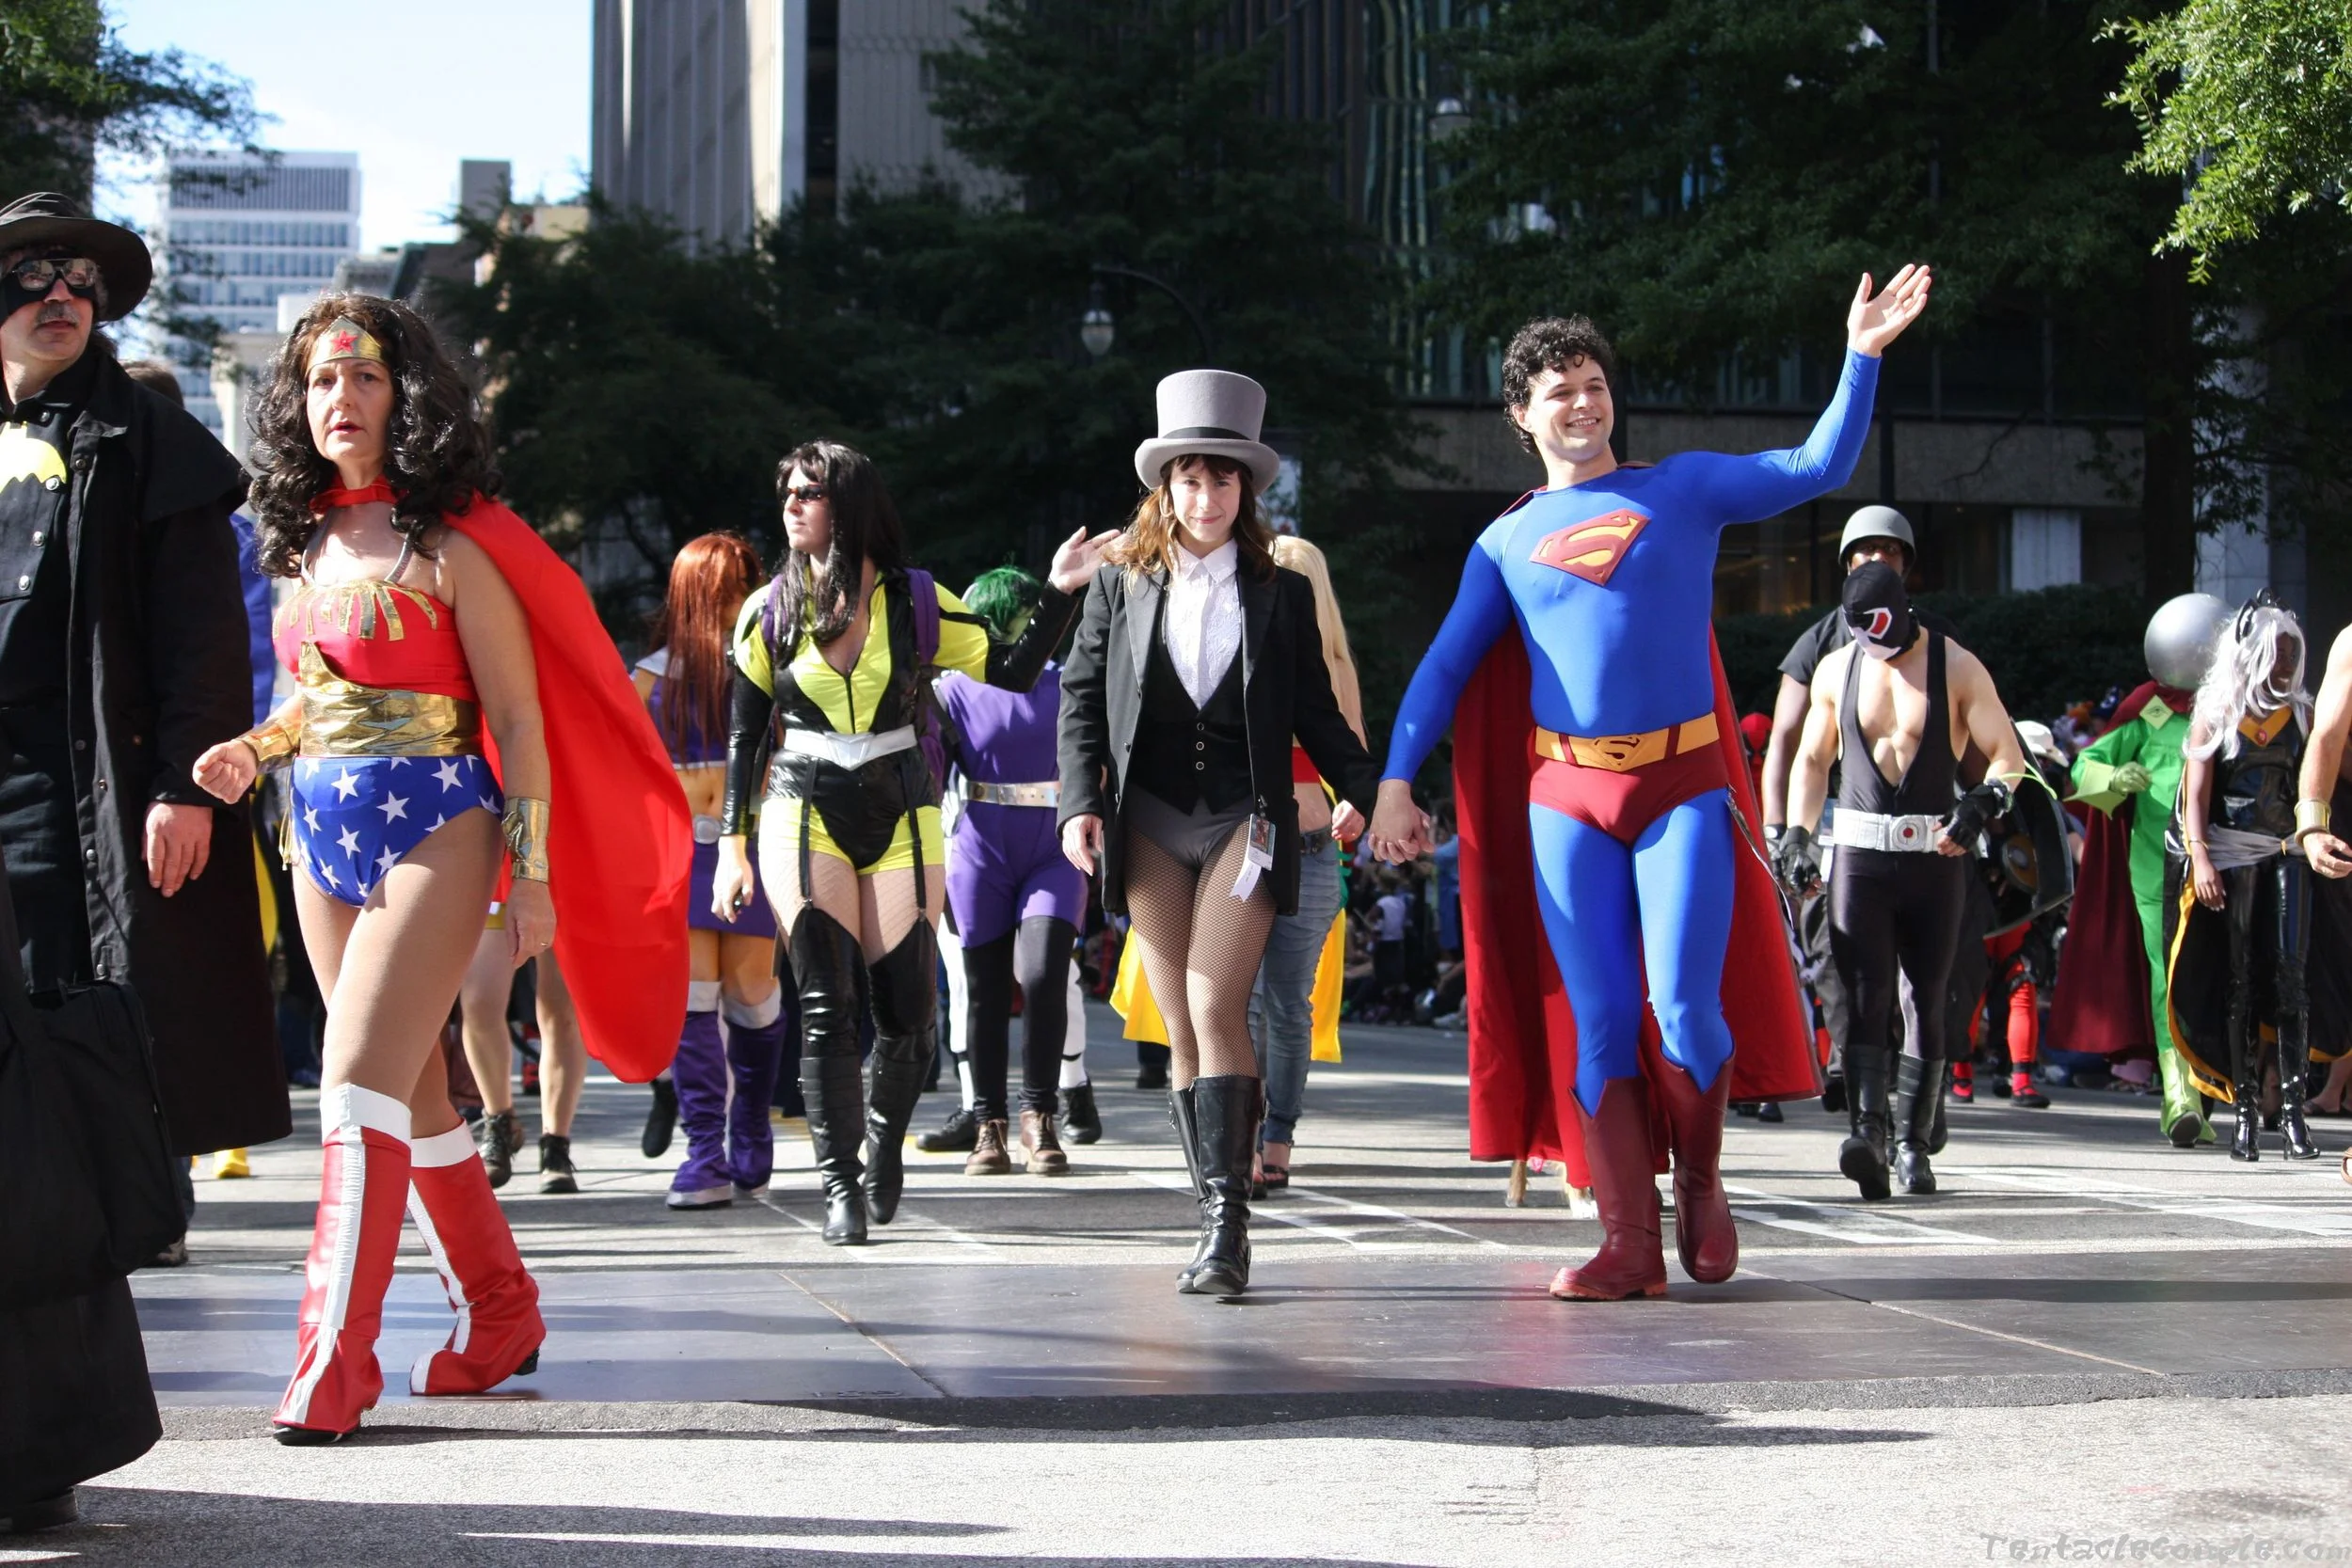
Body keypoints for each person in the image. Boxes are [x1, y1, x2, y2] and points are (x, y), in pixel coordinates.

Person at [1368, 276, 1926, 1299]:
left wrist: (1861, 356)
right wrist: (1397, 780)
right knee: (1599, 1015)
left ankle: (1701, 1182)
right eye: (1558, 391)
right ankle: (1627, 1239)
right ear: (1520, 414)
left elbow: (1819, 464)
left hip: (1680, 786)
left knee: (1681, 1005)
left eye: (1593, 384)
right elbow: (1445, 665)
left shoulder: (1684, 488)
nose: (1582, 403)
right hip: (1566, 799)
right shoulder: (1502, 542)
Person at [195, 293, 687, 1443]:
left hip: (438, 822)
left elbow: (515, 717)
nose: (341, 398)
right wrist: (252, 747)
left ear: (403, 396)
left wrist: (532, 877)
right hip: (316, 829)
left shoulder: (456, 546)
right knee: (409, 1091)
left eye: (364, 377)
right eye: (321, 380)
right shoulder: (301, 546)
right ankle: (499, 1310)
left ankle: (332, 1359)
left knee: (352, 1078)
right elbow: (309, 701)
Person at [0, 190, 291, 1534]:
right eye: (30, 275)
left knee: (47, 1110)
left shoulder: (146, 441)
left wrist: (184, 784)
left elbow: (200, 642)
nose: (60, 294)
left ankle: (41, 1447)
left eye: (81, 278)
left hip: (70, 817)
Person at [713, 440, 1111, 1245]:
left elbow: (1012, 669)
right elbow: (746, 736)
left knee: (910, 1013)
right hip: (803, 803)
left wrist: (1061, 591)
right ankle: (840, 1181)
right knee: (825, 1005)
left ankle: (884, 1141)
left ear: (850, 505)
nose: (792, 505)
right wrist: (733, 843)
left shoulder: (919, 599)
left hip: (901, 806)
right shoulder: (768, 610)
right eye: (787, 491)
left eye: (809, 492)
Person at [1059, 370, 1381, 1298]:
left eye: (1224, 480)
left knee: (1213, 1005)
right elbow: (1081, 701)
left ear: (1248, 488)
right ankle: (1212, 1211)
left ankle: (1230, 1229)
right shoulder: (1119, 583)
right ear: (1166, 486)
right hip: (1152, 822)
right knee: (1179, 1027)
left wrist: (1371, 788)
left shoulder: (1280, 589)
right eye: (1191, 479)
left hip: (1246, 818)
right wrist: (1079, 802)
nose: (1206, 498)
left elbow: (1318, 714)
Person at [1781, 562, 2032, 1197]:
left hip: (1934, 854)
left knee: (1926, 995)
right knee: (1863, 993)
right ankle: (1869, 1132)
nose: (1875, 647)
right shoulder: (1837, 668)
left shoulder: (1956, 665)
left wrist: (1982, 802)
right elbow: (1811, 758)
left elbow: (2007, 755)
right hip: (1860, 855)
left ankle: (1915, 1144)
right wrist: (1797, 835)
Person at [1757, 504, 1948, 1111]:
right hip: (1838, 820)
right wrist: (1782, 831)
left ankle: (1920, 1100)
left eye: (1888, 550)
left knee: (1926, 976)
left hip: (1926, 824)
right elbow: (1788, 745)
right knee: (1834, 951)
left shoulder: (1940, 642)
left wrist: (1987, 813)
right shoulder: (1819, 643)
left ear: (1906, 563)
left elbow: (1981, 737)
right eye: (1865, 550)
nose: (1877, 558)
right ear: (1846, 563)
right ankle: (1853, 1067)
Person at [914, 566, 1093, 1176]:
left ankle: (1039, 1114)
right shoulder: (952, 689)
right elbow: (930, 775)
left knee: (1044, 975)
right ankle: (987, 1124)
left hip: (1054, 846)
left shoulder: (1070, 681)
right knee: (984, 988)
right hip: (979, 847)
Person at [635, 533, 791, 1209]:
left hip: (752, 843)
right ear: (696, 591)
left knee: (753, 993)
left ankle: (750, 1124)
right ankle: (705, 1149)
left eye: (748, 581)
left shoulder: (769, 664)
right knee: (692, 997)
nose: (742, 595)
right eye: (730, 584)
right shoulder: (648, 678)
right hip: (679, 856)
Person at [2049, 594, 2231, 1146]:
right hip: (2156, 869)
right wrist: (2115, 778)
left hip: (2230, 862)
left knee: (2226, 976)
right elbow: (2086, 766)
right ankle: (2181, 1094)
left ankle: (2237, 1089)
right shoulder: (2150, 708)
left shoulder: (2237, 702)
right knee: (2166, 975)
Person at [2167, 593, 2319, 1164]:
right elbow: (2196, 797)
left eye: (2293, 652)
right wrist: (2201, 857)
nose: (2287, 663)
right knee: (2240, 982)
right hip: (2233, 855)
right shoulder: (2216, 711)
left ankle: (2295, 1114)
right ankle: (2246, 1114)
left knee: (2292, 980)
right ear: (2251, 652)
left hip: (2289, 852)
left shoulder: (2302, 714)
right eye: (2278, 651)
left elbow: (2319, 781)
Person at [1248, 533, 1366, 1191]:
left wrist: (1357, 802)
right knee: (1240, 1002)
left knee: (1289, 1007)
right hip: (1243, 844)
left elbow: (1355, 759)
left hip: (1315, 848)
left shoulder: (1336, 666)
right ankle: (1239, 1134)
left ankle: (1278, 1137)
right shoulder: (1237, 647)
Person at [456, 930, 589, 1194]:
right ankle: (500, 1124)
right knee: (478, 1003)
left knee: (562, 1013)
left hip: (563, 904)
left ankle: (556, 1144)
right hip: (492, 903)